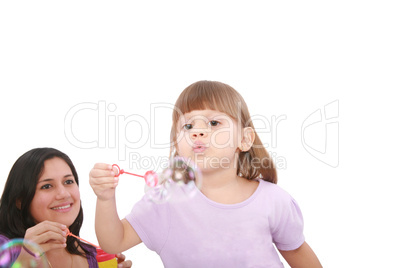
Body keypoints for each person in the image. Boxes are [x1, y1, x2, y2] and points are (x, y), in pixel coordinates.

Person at [89, 80, 322, 267]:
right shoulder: (166, 203)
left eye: (213, 122)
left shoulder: (273, 200)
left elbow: (298, 252)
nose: (198, 131)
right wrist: (105, 198)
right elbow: (113, 241)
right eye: (188, 126)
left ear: (245, 138)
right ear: (176, 143)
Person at [0, 147, 132, 268]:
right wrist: (23, 262)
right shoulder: (4, 248)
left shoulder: (93, 256)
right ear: (20, 201)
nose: (63, 194)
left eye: (68, 182)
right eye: (46, 186)